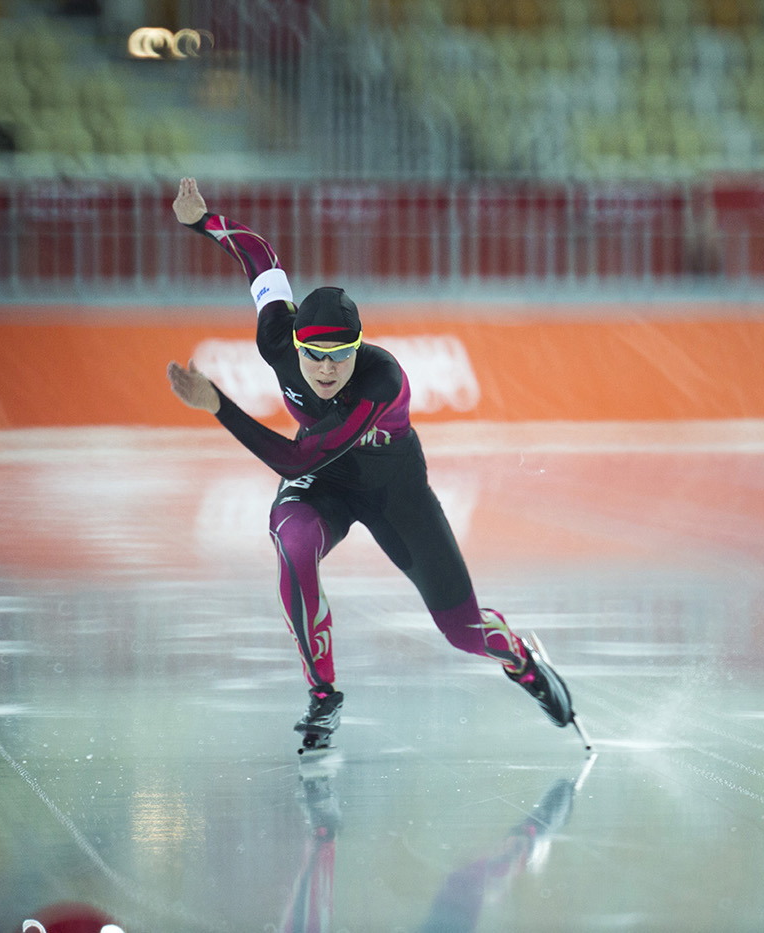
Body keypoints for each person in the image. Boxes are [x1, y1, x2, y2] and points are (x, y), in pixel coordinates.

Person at [164, 178, 580, 752]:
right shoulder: (276, 340)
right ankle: (323, 695)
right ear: (295, 346)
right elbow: (260, 257)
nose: (327, 370)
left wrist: (218, 407)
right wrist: (202, 221)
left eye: (340, 356)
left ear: (359, 348)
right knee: (293, 542)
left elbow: (294, 456)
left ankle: (522, 662)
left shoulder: (378, 380)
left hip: (393, 490)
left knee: (462, 633)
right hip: (327, 483)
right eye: (315, 356)